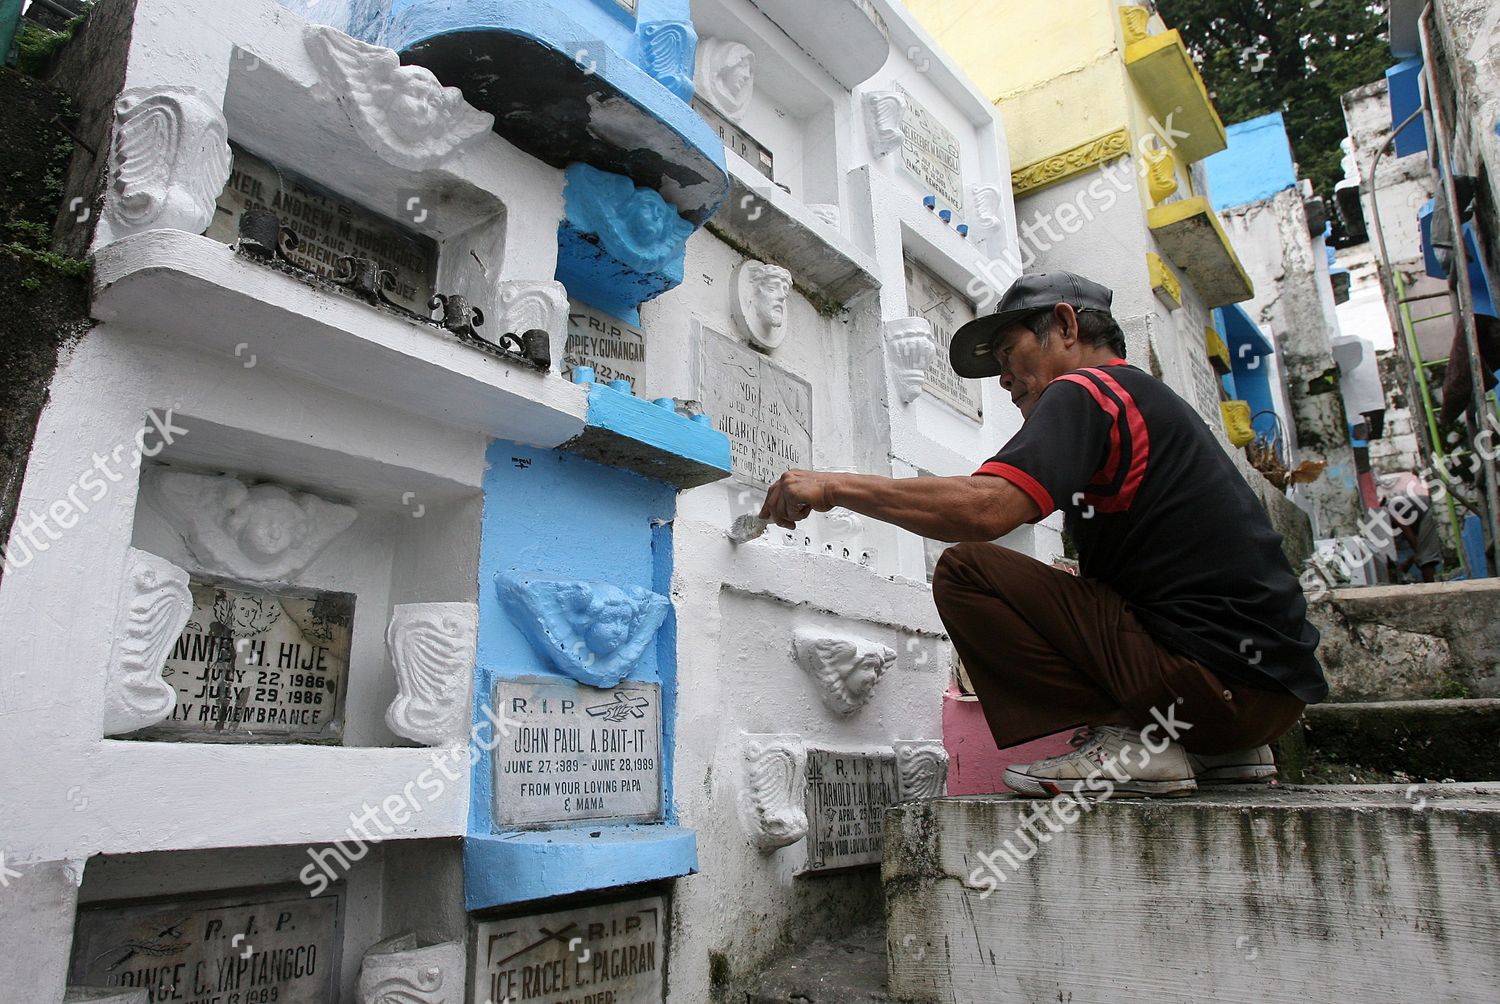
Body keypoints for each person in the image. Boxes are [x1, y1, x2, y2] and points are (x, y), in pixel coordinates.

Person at [759, 272, 1326, 797]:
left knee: (967, 571)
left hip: (1211, 686)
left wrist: (833, 487)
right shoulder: (1148, 401)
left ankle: (1131, 740)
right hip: (1266, 702)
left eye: (1010, 353)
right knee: (1070, 582)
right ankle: (1219, 752)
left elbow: (987, 510)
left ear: (1066, 326)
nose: (1004, 378)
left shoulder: (1087, 390)